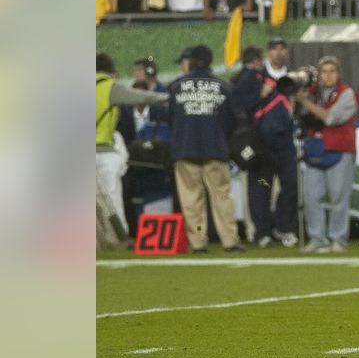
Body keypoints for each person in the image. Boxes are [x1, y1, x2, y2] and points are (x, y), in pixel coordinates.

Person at [168, 44, 243, 253]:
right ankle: (230, 241)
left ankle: (198, 243)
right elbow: (232, 121)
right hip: (215, 147)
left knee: (191, 199)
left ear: (191, 61)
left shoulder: (176, 86)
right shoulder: (224, 86)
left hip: (185, 148)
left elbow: (171, 118)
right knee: (221, 196)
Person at [231, 46, 299, 249]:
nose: (279, 52)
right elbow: (238, 102)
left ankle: (283, 226)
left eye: (283, 48)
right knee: (261, 188)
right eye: (274, 49)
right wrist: (260, 94)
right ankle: (262, 232)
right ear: (268, 53)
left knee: (291, 185)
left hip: (286, 141)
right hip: (261, 142)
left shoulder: (293, 76)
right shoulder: (255, 77)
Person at [96, 54, 168, 235]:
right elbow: (140, 97)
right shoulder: (109, 87)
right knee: (112, 198)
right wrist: (165, 97)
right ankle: (119, 236)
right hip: (104, 151)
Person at [297, 56, 359, 253]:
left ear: (339, 74)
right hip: (315, 149)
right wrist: (296, 95)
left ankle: (338, 239)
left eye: (332, 71)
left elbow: (330, 118)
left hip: (339, 149)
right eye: (324, 71)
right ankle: (317, 239)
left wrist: (304, 101)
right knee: (311, 196)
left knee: (338, 197)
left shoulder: (347, 93)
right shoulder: (312, 92)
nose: (328, 75)